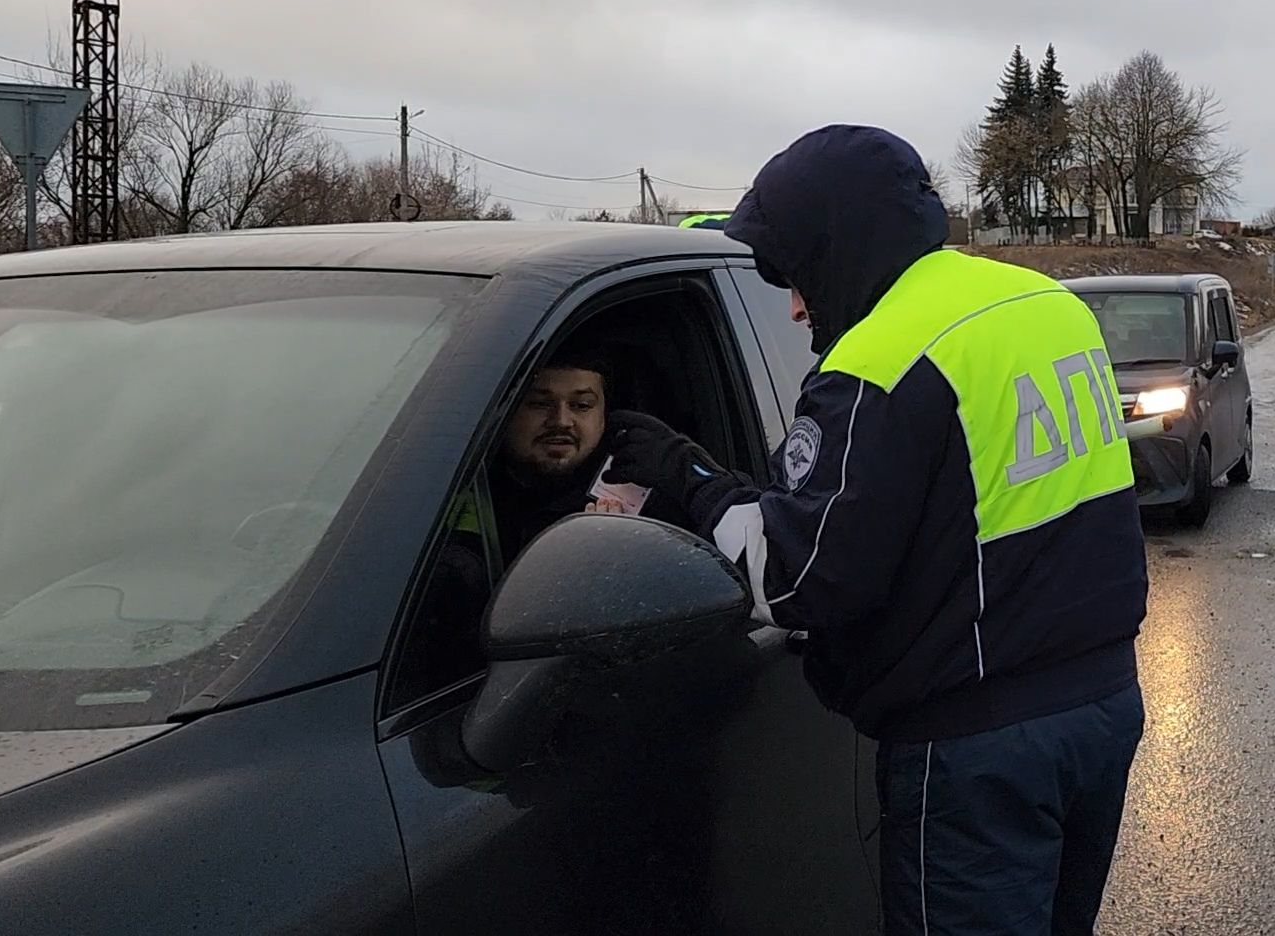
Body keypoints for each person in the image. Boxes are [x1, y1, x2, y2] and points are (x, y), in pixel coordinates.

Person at [607, 125, 1148, 936]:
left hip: (979, 750)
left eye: (795, 278)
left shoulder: (881, 361)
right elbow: (959, 503)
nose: (792, 307)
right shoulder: (1045, 306)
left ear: (837, 249)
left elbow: (797, 579)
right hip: (1102, 706)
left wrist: (691, 477)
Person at [490, 345, 687, 557]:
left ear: (604, 416)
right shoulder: (463, 477)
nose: (561, 421)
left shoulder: (649, 513)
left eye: (581, 405)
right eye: (540, 404)